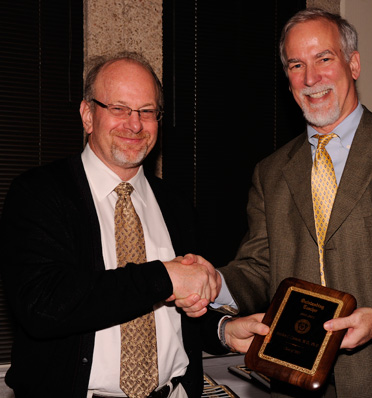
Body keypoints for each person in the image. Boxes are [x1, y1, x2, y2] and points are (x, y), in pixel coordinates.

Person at [178, 8, 372, 398]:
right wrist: (216, 283)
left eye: (324, 58)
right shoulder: (271, 173)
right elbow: (260, 269)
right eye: (296, 65)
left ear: (353, 64)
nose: (311, 78)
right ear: (287, 80)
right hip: (295, 382)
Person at [0, 52, 268, 398]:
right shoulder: (38, 193)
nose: (135, 124)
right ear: (87, 115)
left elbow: (176, 313)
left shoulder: (175, 205)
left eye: (146, 111)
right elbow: (43, 306)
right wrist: (164, 276)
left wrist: (223, 330)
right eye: (119, 109)